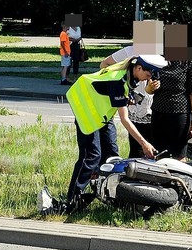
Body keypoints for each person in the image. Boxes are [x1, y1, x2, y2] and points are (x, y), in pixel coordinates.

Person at [40, 55, 166, 215]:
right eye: (147, 76)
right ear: (139, 68)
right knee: (92, 156)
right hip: (87, 111)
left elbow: (119, 96)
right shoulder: (118, 80)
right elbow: (125, 120)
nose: (146, 81)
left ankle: (108, 198)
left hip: (102, 114)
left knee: (111, 158)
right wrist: (144, 143)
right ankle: (70, 204)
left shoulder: (130, 74)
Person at [149, 58, 192, 160]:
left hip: (179, 114)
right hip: (158, 113)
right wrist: (151, 87)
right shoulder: (158, 59)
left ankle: (179, 176)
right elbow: (149, 90)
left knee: (179, 156)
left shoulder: (189, 62)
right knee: (159, 155)